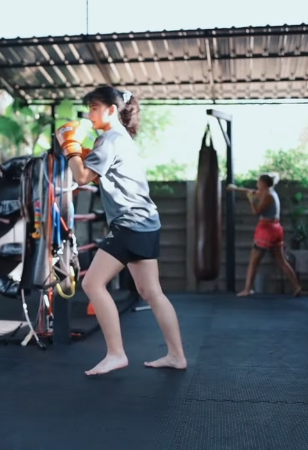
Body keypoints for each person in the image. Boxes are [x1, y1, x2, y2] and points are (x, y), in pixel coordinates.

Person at [56, 85, 187, 376]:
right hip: (147, 221)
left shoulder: (110, 138)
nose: (89, 115)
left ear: (111, 110)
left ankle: (116, 354)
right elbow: (94, 175)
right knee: (151, 291)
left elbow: (80, 177)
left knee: (92, 284)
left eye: (94, 108)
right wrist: (81, 152)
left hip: (130, 222)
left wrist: (69, 146)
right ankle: (176, 356)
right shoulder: (119, 139)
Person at [227, 175, 302, 297]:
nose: (257, 184)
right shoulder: (269, 192)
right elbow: (251, 192)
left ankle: (247, 289)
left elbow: (256, 212)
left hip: (267, 229)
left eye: (258, 182)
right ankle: (297, 287)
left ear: (263, 183)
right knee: (281, 261)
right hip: (275, 229)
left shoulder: (267, 196)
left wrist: (251, 201)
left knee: (254, 261)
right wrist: (236, 189)